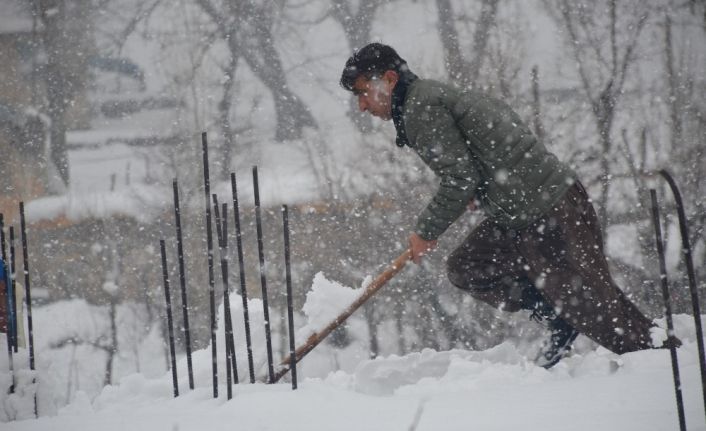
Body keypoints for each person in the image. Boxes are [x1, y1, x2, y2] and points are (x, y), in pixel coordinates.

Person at [340, 42, 678, 368]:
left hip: (550, 212)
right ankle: (555, 314)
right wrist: (486, 188)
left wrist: (425, 231)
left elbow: (459, 178)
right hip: (523, 214)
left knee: (601, 315)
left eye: (362, 93)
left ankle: (669, 363)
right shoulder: (428, 98)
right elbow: (484, 151)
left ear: (389, 79)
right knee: (469, 266)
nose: (362, 106)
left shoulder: (420, 107)